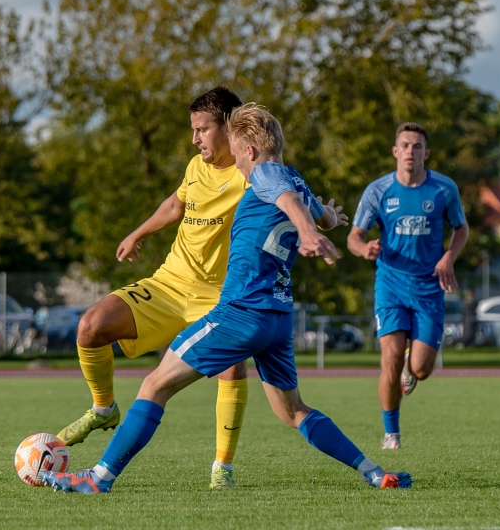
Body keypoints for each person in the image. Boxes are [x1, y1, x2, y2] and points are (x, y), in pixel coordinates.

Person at [40, 103, 410, 494]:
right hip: (277, 318)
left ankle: (98, 479)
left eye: (235, 150)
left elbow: (285, 199)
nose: (232, 159)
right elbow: (312, 209)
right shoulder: (295, 179)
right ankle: (372, 471)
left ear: (249, 150)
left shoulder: (266, 173)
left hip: (241, 313)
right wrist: (326, 221)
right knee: (293, 410)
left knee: (153, 386)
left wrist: (306, 232)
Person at [56, 87, 250, 489]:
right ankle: (104, 408)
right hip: (168, 285)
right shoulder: (196, 166)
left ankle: (222, 469)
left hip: (218, 296)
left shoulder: (251, 173)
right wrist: (139, 231)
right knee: (91, 326)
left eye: (202, 129)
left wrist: (316, 223)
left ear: (229, 127)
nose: (195, 139)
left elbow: (288, 196)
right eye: (193, 130)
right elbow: (176, 205)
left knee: (232, 366)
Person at [347, 122, 469, 450]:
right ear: (395, 152)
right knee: (390, 360)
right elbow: (353, 237)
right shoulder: (378, 191)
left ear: (426, 153)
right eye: (405, 145)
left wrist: (448, 258)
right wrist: (364, 249)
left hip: (429, 288)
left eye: (417, 146)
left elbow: (461, 229)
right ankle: (391, 434)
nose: (411, 151)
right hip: (390, 285)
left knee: (422, 368)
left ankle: (411, 365)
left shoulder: (444, 189)